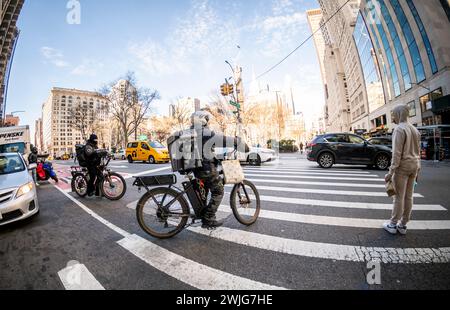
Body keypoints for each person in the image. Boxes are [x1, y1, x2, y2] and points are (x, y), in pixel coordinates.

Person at [182, 111, 250, 229]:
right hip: (206, 168)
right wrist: (237, 142)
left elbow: (204, 151)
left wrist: (216, 158)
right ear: (202, 120)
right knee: (218, 190)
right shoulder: (204, 132)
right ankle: (209, 218)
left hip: (196, 169)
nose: (208, 122)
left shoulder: (191, 133)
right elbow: (221, 139)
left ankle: (203, 215)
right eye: (207, 119)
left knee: (206, 189)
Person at [384, 105, 421, 235]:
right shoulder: (415, 130)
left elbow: (396, 154)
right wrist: (418, 170)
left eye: (394, 114)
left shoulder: (399, 129)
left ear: (399, 114)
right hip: (415, 165)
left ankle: (393, 224)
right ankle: (403, 225)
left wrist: (390, 172)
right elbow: (418, 152)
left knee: (398, 197)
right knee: (409, 197)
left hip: (403, 166)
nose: (393, 117)